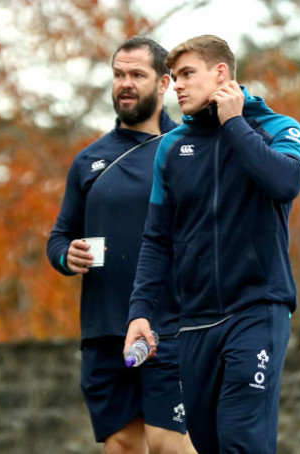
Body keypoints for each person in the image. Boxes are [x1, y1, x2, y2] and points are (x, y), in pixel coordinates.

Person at [125, 35, 300, 454]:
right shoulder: (171, 149)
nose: (178, 87)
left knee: (243, 443)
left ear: (221, 73)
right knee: (208, 446)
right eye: (174, 77)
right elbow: (157, 240)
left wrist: (234, 124)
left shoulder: (278, 128)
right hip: (193, 326)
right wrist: (140, 313)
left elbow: (285, 182)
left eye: (188, 74)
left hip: (256, 312)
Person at [47, 36, 196, 454]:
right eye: (118, 75)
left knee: (170, 445)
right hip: (105, 330)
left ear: (164, 83)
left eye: (137, 75)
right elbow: (59, 237)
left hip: (169, 326)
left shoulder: (188, 149)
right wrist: (65, 254)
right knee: (122, 447)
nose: (125, 84)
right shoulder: (88, 161)